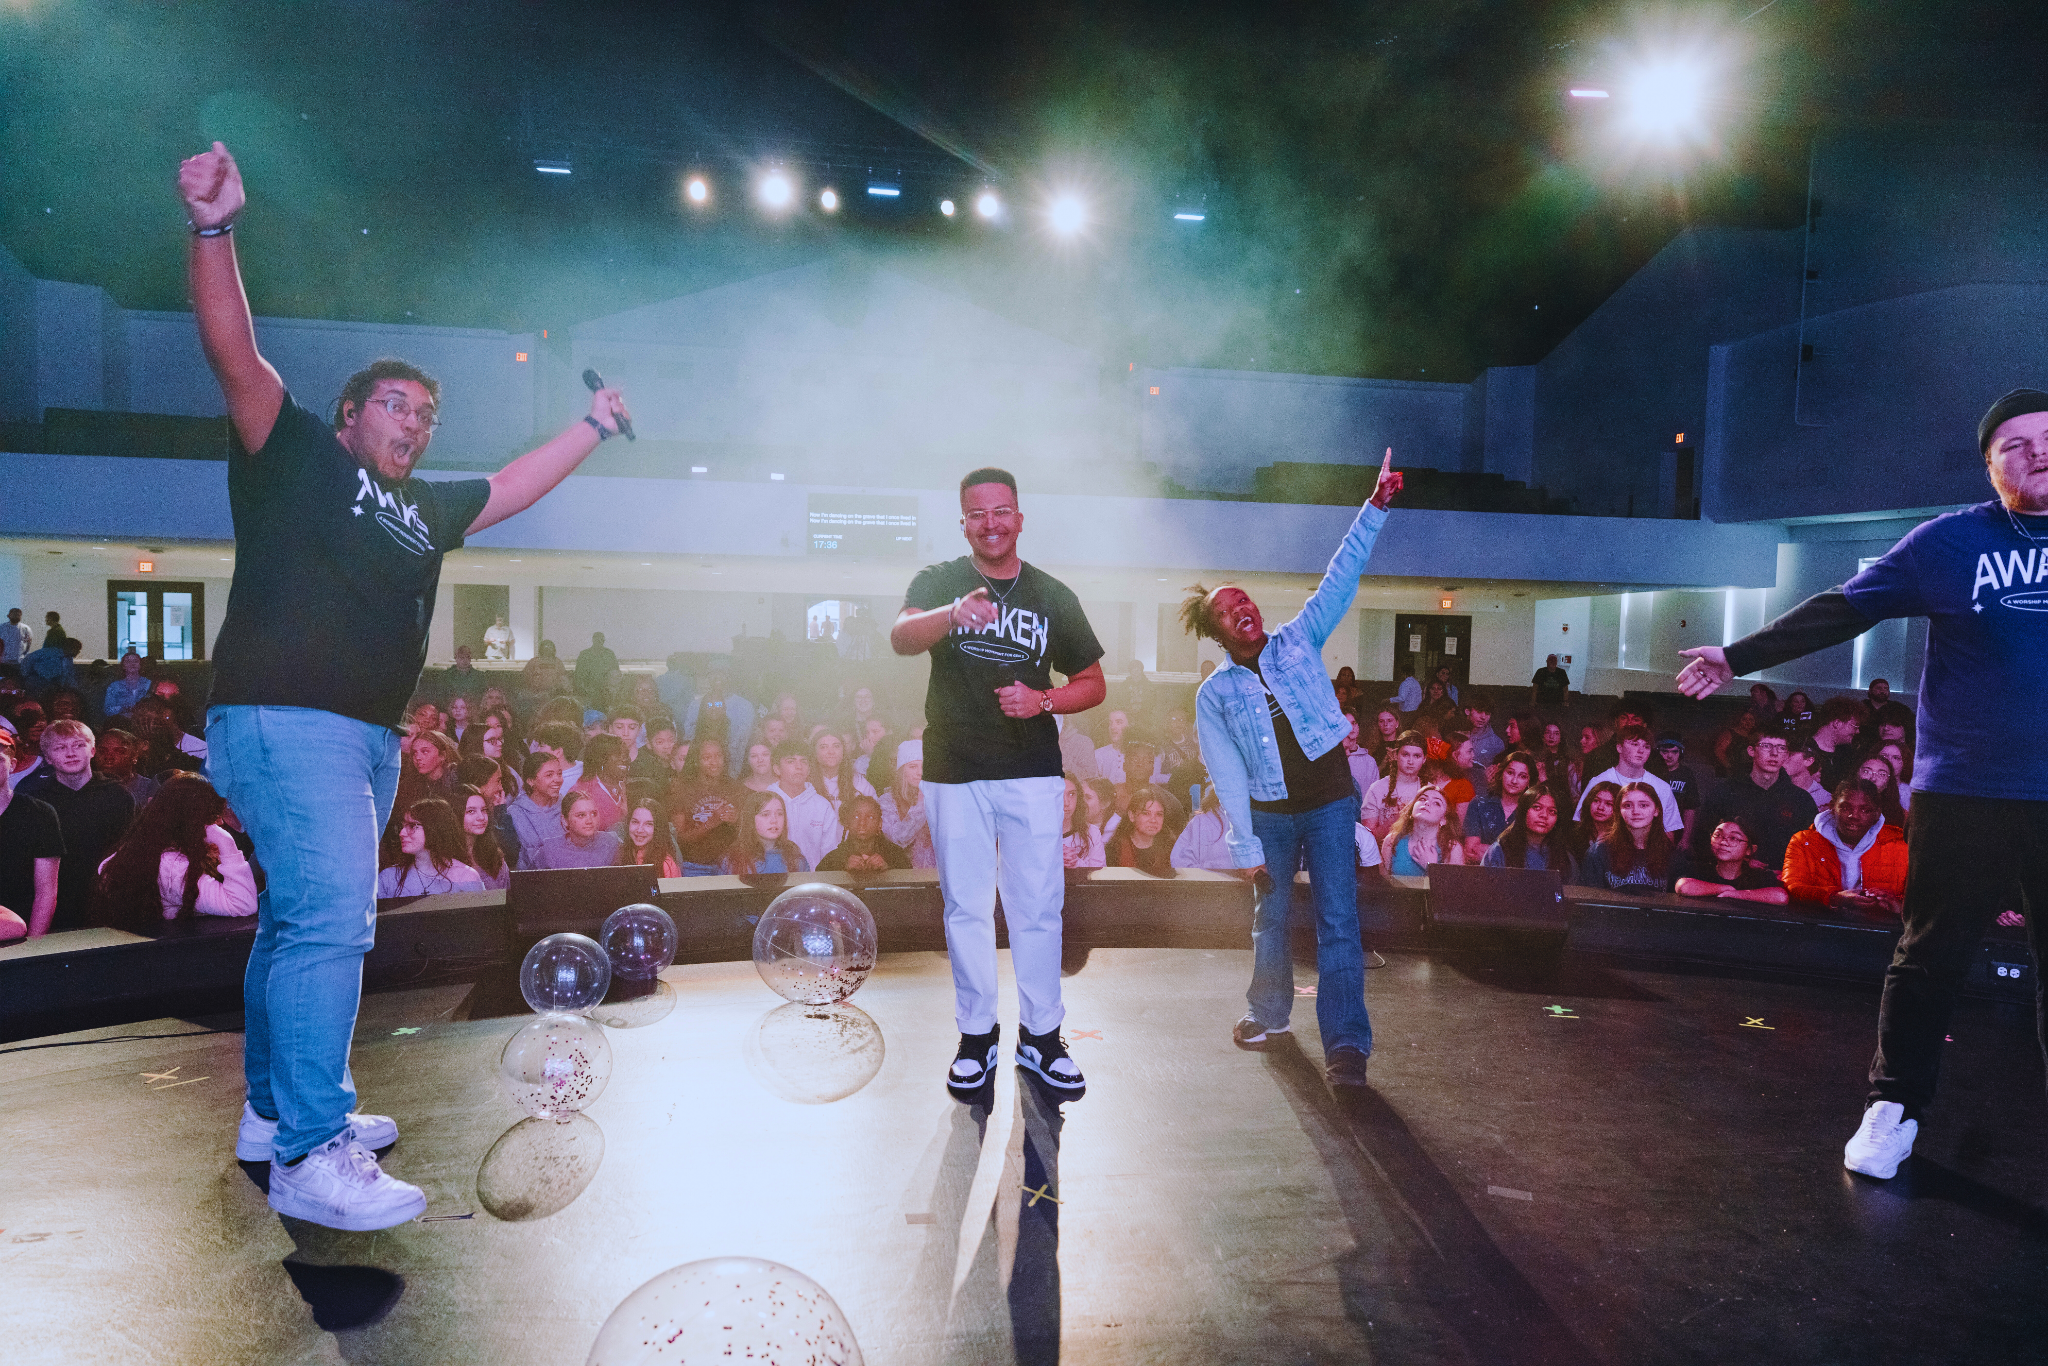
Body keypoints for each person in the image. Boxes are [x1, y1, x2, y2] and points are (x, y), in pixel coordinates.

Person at [177, 133, 633, 1228]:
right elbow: (237, 354)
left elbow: (513, 485)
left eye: (424, 415)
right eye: (394, 406)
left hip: (360, 736)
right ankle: (313, 1148)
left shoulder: (423, 509)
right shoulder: (296, 457)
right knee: (334, 925)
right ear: (351, 417)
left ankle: (271, 1110)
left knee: (295, 924)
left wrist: (589, 426)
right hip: (292, 720)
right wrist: (214, 228)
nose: (413, 423)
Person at [1673, 386, 2048, 1182]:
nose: (2038, 451)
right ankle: (1894, 1109)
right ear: (1990, 468)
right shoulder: (1949, 543)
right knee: (1929, 954)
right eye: (2015, 444)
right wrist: (1736, 657)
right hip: (1966, 789)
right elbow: (1844, 607)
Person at [1178, 451, 1401, 1086]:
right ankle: (1268, 1014)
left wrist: (1374, 508)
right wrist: (1244, 842)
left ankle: (1347, 1047)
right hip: (1270, 818)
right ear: (1216, 630)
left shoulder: (1298, 639)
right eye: (1228, 609)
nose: (1243, 608)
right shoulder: (1213, 694)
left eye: (1246, 600)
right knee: (1269, 922)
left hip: (1332, 802)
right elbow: (1225, 774)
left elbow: (1340, 577)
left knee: (1338, 921)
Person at [892, 465, 1107, 1101]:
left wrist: (1043, 700)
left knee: (1037, 905)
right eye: (977, 513)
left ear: (1019, 516)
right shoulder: (939, 581)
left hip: (1032, 769)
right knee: (965, 904)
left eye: (1001, 511)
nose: (991, 523)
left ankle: (1042, 1038)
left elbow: (1094, 684)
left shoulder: (1053, 595)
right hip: (955, 768)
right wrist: (952, 615)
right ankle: (976, 1037)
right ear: (964, 522)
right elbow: (902, 637)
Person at [91, 772, 258, 928]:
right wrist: (226, 842)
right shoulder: (171, 867)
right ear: (192, 820)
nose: (220, 823)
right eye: (213, 816)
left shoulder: (138, 850)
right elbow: (242, 905)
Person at [17, 720, 137, 934]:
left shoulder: (118, 796)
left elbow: (127, 855)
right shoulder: (32, 796)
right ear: (48, 757)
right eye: (60, 747)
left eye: (78, 745)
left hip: (102, 902)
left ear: (92, 750)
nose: (70, 753)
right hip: (48, 904)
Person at [1694, 732, 1818, 871]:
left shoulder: (1801, 799)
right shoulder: (1725, 792)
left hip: (1783, 880)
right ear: (1751, 751)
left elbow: (1812, 846)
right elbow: (1702, 838)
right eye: (1766, 746)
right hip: (1734, 878)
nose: (1774, 753)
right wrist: (1739, 862)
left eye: (1781, 748)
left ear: (1787, 755)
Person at [1781, 780, 1907, 916]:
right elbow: (1792, 886)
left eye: (1865, 810)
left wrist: (1897, 905)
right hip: (1820, 928)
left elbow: (1917, 898)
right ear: (1833, 808)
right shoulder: (1803, 842)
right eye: (1846, 808)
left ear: (1877, 813)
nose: (1854, 816)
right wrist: (1834, 897)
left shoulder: (1900, 846)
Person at [0, 728, 63, 936]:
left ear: (13, 766)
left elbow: (46, 893)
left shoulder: (39, 813)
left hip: (21, 935)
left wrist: (34, 948)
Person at [1572, 722, 1684, 837]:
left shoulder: (1661, 787)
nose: (1641, 750)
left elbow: (1669, 831)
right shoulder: (1599, 781)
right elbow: (1581, 822)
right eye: (1634, 744)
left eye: (1646, 746)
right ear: (1619, 747)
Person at [1577, 781, 1677, 893]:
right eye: (1627, 805)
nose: (1635, 811)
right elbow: (1590, 902)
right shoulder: (1598, 851)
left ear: (1656, 810)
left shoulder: (1671, 853)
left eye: (1643, 805)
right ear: (1618, 811)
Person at [377, 798, 486, 897]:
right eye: (402, 826)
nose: (402, 833)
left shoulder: (466, 877)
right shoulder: (388, 878)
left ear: (434, 829)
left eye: (412, 826)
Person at [667, 739, 742, 874]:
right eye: (707, 758)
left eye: (718, 756)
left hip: (729, 865)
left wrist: (736, 819)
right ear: (696, 760)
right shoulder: (683, 789)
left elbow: (747, 831)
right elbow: (679, 837)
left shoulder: (733, 787)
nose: (714, 762)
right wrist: (711, 822)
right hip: (694, 866)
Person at [766, 740, 842, 871]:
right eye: (791, 761)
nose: (799, 766)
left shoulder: (822, 806)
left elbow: (830, 853)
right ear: (777, 769)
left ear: (809, 770)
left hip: (812, 881)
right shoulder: (764, 802)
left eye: (804, 761)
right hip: (773, 880)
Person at [1675, 817, 1788, 904]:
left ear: (1749, 850)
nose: (1723, 842)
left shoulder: (1759, 876)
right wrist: (1725, 888)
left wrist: (1736, 894)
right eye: (1718, 835)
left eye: (1733, 838)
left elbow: (1781, 896)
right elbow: (1683, 886)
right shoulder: (1700, 869)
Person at [1481, 787, 1575, 879]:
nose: (1544, 815)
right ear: (1523, 811)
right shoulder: (1500, 850)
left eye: (1552, 811)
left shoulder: (1565, 858)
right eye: (1537, 807)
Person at [1462, 750, 1535, 862]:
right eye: (1510, 773)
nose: (1514, 781)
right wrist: (1512, 855)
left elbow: (1530, 857)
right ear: (1501, 774)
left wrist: (1488, 851)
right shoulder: (1479, 804)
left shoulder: (1532, 811)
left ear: (1529, 782)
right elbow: (1472, 851)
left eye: (1522, 776)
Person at [530, 791, 625, 870]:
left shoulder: (611, 843)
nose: (589, 821)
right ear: (565, 820)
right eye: (581, 815)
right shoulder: (549, 850)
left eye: (593, 813)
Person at [721, 789, 808, 875]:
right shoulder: (734, 857)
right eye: (765, 814)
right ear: (751, 819)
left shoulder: (794, 855)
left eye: (780, 814)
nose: (774, 820)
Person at [817, 794, 912, 872]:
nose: (862, 822)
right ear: (847, 823)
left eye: (870, 817)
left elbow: (910, 887)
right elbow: (820, 887)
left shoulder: (896, 855)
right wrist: (843, 869)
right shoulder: (833, 859)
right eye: (856, 817)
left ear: (880, 824)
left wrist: (887, 869)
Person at [878, 738, 935, 869]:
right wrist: (921, 804)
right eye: (913, 766)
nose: (919, 772)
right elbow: (897, 839)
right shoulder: (887, 801)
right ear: (902, 770)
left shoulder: (939, 797)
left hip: (934, 875)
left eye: (924, 766)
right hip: (901, 873)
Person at [1361, 730, 1428, 840]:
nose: (1410, 761)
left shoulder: (1429, 791)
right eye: (1405, 754)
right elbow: (1366, 839)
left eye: (1416, 756)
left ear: (1424, 759)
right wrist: (1395, 821)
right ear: (1395, 755)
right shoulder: (1377, 789)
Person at [1381, 786, 1462, 875]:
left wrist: (1431, 867)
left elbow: (1456, 888)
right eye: (1422, 798)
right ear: (1412, 810)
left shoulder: (1452, 848)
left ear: (1444, 819)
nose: (1427, 803)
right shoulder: (1392, 841)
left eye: (1437, 803)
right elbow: (1383, 886)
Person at [505, 750, 566, 868]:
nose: (558, 780)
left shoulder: (567, 805)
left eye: (559, 774)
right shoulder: (515, 813)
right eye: (549, 775)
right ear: (531, 781)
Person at [1106, 784, 1182, 876]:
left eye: (1159, 814)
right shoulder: (1114, 849)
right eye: (1146, 813)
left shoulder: (1173, 848)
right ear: (1131, 816)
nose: (1153, 820)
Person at [1649, 732, 1703, 847]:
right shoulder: (1650, 773)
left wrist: (1685, 839)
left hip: (1677, 833)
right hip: (1650, 831)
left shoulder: (1686, 774)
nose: (1669, 756)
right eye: (1665, 752)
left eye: (1674, 752)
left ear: (1681, 753)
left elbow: (1690, 808)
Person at [567, 733, 630, 833]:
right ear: (601, 759)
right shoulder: (581, 791)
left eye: (626, 754)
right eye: (618, 754)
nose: (624, 759)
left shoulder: (633, 787)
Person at [456, 785, 512, 891]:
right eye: (471, 811)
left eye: (483, 810)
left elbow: (506, 897)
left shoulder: (494, 855)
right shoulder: (447, 861)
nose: (481, 817)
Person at [95, 727, 160, 810]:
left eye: (119, 751)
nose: (108, 757)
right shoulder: (85, 788)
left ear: (134, 756)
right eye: (102, 751)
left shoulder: (150, 789)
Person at [1809, 698, 1865, 791]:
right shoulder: (1805, 750)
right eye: (1855, 726)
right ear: (1837, 723)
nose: (1858, 731)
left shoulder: (1849, 752)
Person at [619, 796, 681, 879]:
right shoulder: (622, 853)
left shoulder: (665, 864)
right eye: (635, 822)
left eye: (648, 824)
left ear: (658, 828)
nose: (640, 829)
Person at [1568, 780, 1622, 866]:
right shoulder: (1576, 836)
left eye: (1608, 804)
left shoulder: (1622, 839)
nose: (1600, 807)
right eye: (1596, 801)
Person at [1857, 754, 1910, 831]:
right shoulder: (1836, 808)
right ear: (1857, 775)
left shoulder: (1903, 816)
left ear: (1888, 782)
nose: (1873, 778)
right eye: (1866, 771)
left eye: (1882, 774)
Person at [572, 632, 620, 707]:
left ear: (604, 641)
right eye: (597, 639)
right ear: (593, 640)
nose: (599, 642)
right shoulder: (584, 655)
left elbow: (616, 673)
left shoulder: (609, 654)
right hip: (588, 694)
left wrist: (610, 690)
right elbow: (578, 676)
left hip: (606, 694)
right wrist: (584, 691)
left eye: (601, 640)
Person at [102, 651, 153, 719]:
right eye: (128, 661)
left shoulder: (149, 684)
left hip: (145, 723)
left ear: (140, 665)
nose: (132, 664)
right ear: (123, 666)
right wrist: (123, 708)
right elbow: (108, 710)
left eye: (135, 661)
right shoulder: (114, 686)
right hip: (122, 723)